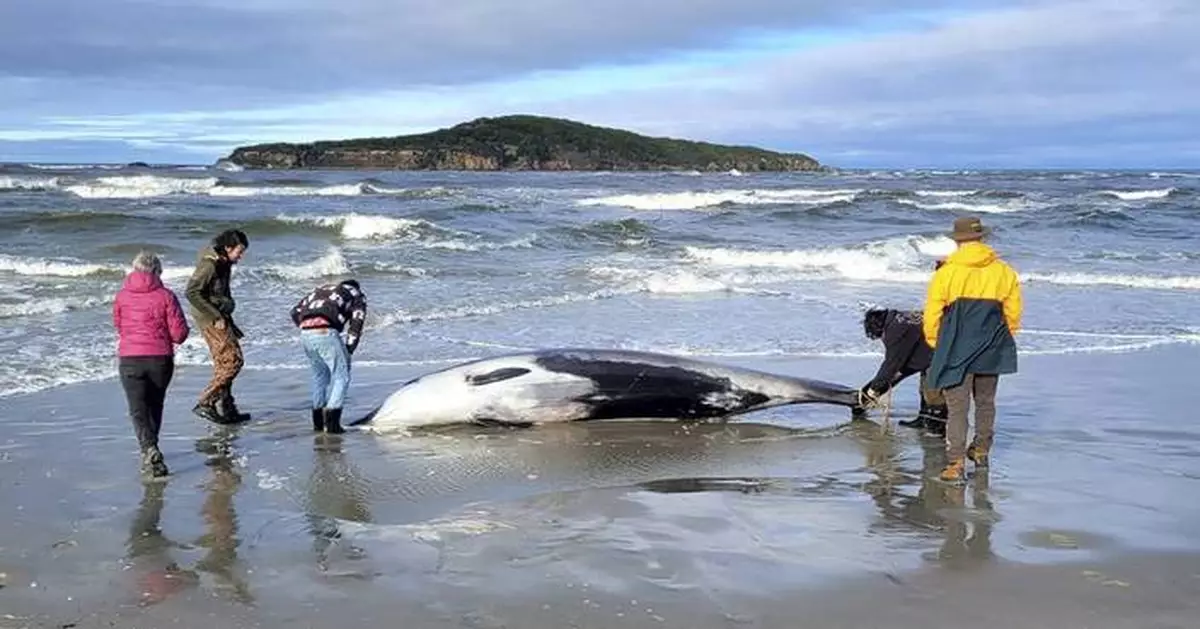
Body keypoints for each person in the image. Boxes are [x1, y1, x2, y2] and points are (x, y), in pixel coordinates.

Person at [923, 216, 1022, 482]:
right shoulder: (1004, 271)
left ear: (957, 241)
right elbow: (1013, 313)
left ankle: (955, 463)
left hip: (956, 344)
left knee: (957, 406)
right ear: (982, 239)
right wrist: (1002, 337)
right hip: (992, 342)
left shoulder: (947, 272)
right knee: (986, 402)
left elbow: (932, 312)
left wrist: (935, 342)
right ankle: (981, 451)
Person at [113, 251, 189, 478]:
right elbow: (179, 334)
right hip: (159, 358)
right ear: (157, 271)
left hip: (129, 358)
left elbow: (117, 324)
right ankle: (151, 448)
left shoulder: (122, 295)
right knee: (155, 405)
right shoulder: (166, 296)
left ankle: (149, 449)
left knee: (137, 408)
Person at [186, 229, 251, 425]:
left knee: (225, 362)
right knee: (233, 362)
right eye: (239, 251)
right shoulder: (210, 264)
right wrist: (215, 316)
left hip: (221, 316)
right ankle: (206, 402)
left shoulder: (224, 263)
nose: (241, 256)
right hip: (211, 319)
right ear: (227, 247)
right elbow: (191, 292)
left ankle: (227, 408)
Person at [290, 279, 367, 434]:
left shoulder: (320, 290)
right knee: (342, 376)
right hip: (325, 331)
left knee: (320, 377)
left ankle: (318, 424)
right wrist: (349, 349)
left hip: (305, 333)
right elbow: (357, 322)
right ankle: (332, 424)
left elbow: (295, 311)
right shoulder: (356, 294)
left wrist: (307, 326)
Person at [859, 307, 947, 436]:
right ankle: (923, 418)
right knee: (924, 387)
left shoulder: (896, 331)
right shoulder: (900, 317)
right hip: (933, 347)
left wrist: (874, 389)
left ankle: (938, 425)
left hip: (941, 350)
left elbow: (891, 364)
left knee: (932, 390)